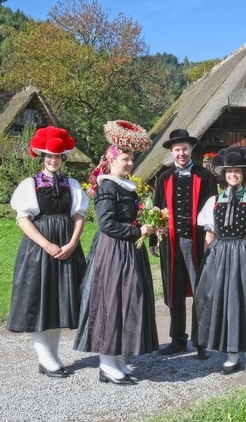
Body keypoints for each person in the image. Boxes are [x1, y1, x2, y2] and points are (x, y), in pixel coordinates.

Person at [74, 120, 159, 385]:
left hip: (129, 252)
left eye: (131, 158)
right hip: (113, 252)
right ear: (111, 161)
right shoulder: (108, 186)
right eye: (125, 158)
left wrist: (150, 228)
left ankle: (119, 361)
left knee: (127, 302)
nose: (129, 163)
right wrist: (138, 232)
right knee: (112, 303)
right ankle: (107, 365)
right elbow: (106, 224)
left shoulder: (125, 186)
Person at [7, 126, 88, 379]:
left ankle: (52, 357)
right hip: (40, 250)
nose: (54, 161)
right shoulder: (29, 185)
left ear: (63, 158)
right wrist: (47, 244)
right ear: (42, 158)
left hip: (67, 246)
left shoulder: (71, 184)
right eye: (49, 157)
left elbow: (78, 215)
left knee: (59, 302)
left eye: (58, 157)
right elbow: (23, 220)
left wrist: (73, 243)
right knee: (42, 301)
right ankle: (45, 357)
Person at [195, 146, 246, 384]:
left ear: (243, 174)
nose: (233, 175)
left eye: (237, 172)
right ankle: (232, 356)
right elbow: (209, 234)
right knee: (223, 303)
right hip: (219, 255)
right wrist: (206, 261)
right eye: (229, 171)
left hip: (243, 253)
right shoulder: (214, 201)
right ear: (223, 174)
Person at [150, 129, 218, 359]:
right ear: (171, 152)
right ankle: (178, 340)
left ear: (191, 150)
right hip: (170, 243)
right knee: (174, 291)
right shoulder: (164, 178)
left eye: (185, 149)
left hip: (197, 242)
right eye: (177, 149)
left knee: (201, 290)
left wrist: (213, 240)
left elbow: (213, 212)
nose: (181, 153)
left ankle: (201, 342)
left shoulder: (206, 177)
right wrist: (153, 241)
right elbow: (156, 211)